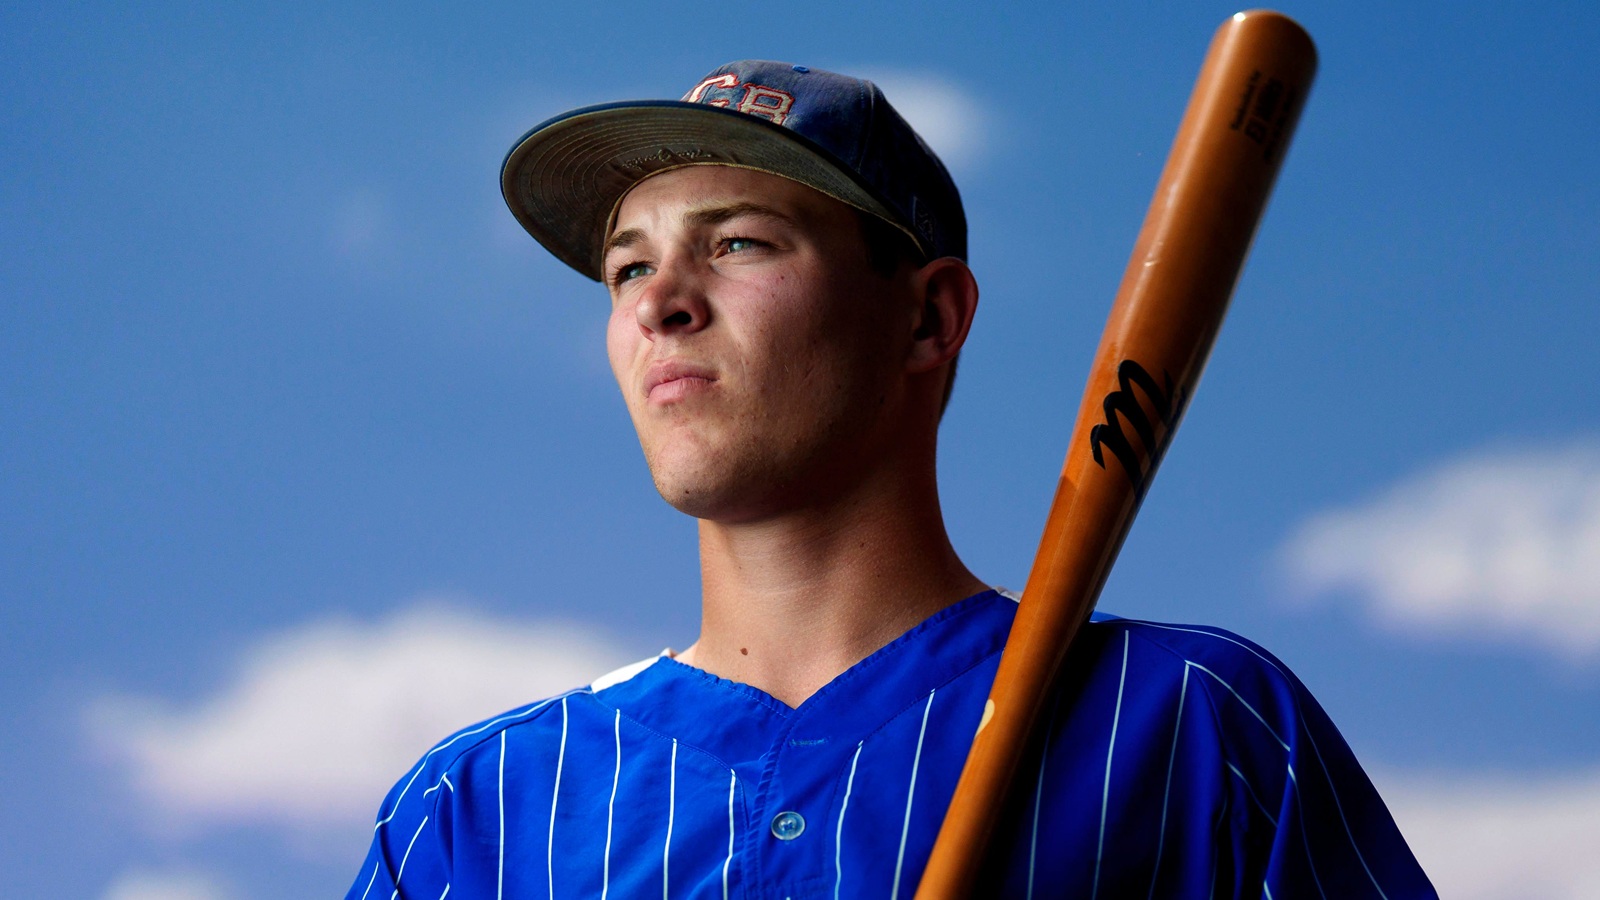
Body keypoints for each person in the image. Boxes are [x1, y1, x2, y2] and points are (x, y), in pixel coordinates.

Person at [348, 61, 1435, 899]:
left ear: (926, 317)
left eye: (737, 244)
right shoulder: (481, 809)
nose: (657, 303)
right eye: (628, 266)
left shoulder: (1196, 725)